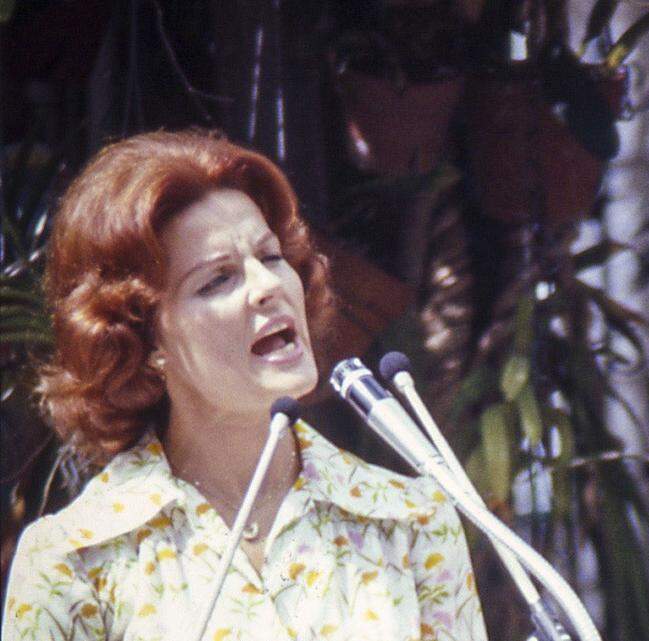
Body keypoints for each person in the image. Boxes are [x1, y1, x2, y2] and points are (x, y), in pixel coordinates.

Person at [1, 131, 488, 641]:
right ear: (144, 340)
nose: (268, 286)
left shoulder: (412, 523)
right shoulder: (74, 560)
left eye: (271, 257)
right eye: (217, 280)